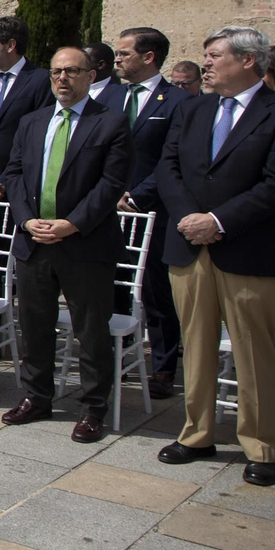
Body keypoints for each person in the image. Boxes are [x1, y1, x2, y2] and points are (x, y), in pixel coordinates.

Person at [155, 26, 275, 487]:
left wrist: (217, 222)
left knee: (252, 351)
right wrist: (188, 218)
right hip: (188, 243)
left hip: (247, 249)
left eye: (214, 55)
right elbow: (169, 166)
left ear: (248, 61)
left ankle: (261, 447)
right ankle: (197, 433)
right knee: (196, 346)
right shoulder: (193, 107)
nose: (205, 62)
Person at [0, 47, 134, 443]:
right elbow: (14, 172)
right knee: (36, 326)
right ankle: (37, 396)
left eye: (72, 71)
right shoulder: (32, 121)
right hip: (35, 241)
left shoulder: (110, 123)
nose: (62, 79)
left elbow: (111, 184)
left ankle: (93, 408)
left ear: (90, 76)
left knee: (90, 331)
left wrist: (71, 224)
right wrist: (26, 219)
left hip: (85, 244)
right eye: (57, 72)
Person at [102, 26, 191, 398]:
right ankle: (117, 357)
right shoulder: (110, 98)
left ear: (149, 57)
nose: (117, 59)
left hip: (152, 211)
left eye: (124, 53)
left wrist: (138, 196)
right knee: (111, 285)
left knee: (156, 292)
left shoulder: (177, 102)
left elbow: (175, 159)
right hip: (107, 209)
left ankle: (164, 366)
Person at [0, 16, 51, 203]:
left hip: (17, 188)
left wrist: (4, 182)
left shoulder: (40, 80)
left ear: (10, 45)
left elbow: (38, 137)